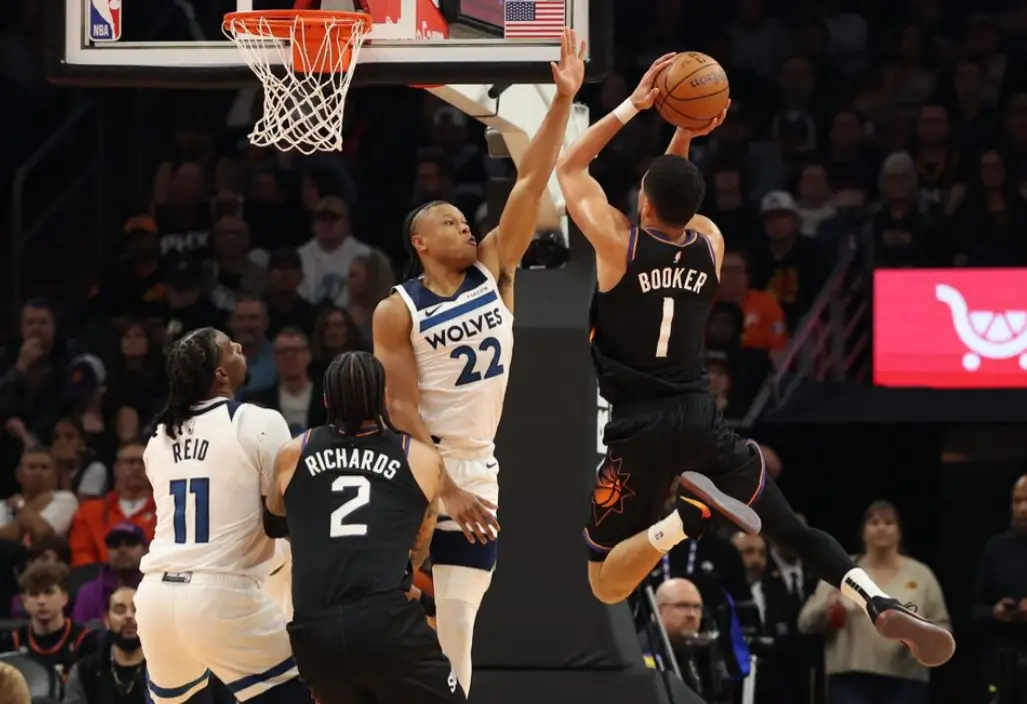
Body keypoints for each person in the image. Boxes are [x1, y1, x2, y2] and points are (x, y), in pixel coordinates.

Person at [555, 54, 956, 669]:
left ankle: (683, 523)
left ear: (641, 200)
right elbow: (674, 192)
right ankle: (877, 601)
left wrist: (637, 103)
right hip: (701, 417)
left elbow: (570, 165)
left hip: (638, 427)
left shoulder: (617, 244)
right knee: (793, 532)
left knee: (604, 580)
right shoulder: (710, 243)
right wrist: (685, 129)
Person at [372, 28, 586, 696]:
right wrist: (442, 490)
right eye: (448, 220)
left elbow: (531, 177)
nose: (465, 223)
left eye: (465, 217)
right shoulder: (396, 308)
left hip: (478, 465)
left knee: (458, 631)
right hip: (415, 467)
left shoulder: (495, 265)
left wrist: (560, 102)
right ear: (418, 241)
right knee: (390, 625)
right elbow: (400, 409)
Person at [265, 351, 461, 703]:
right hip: (383, 623)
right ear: (382, 397)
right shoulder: (419, 457)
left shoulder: (293, 453)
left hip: (314, 632)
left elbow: (274, 521)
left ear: (325, 399)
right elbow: (418, 546)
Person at [134, 328, 306, 704]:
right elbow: (286, 514)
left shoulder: (159, 434)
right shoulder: (257, 420)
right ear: (221, 374)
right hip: (221, 595)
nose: (241, 347)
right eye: (231, 347)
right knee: (312, 688)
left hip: (156, 598)